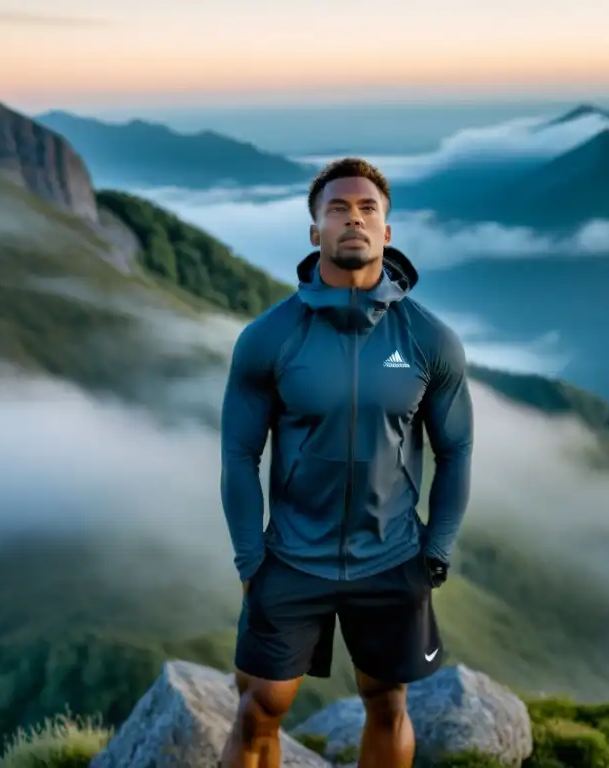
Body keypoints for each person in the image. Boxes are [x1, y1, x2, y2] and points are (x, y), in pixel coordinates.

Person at [218, 157, 474, 768]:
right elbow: (239, 453)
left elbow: (455, 449)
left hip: (392, 556)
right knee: (257, 707)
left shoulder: (429, 340)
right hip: (289, 557)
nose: (352, 219)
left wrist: (436, 549)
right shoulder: (270, 337)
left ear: (388, 231)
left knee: (387, 703)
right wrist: (250, 557)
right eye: (337, 209)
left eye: (368, 210)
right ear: (315, 232)